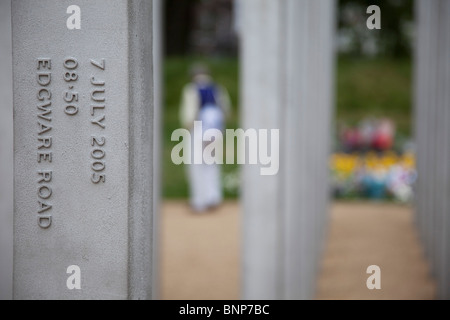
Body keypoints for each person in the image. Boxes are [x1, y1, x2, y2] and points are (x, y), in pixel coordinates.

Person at [179, 63, 231, 212]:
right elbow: (226, 110)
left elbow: (189, 114)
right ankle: (213, 197)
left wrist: (188, 127)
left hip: (198, 130)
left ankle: (199, 201)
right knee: (212, 164)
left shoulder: (191, 89)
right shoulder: (218, 88)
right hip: (215, 131)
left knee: (196, 165)